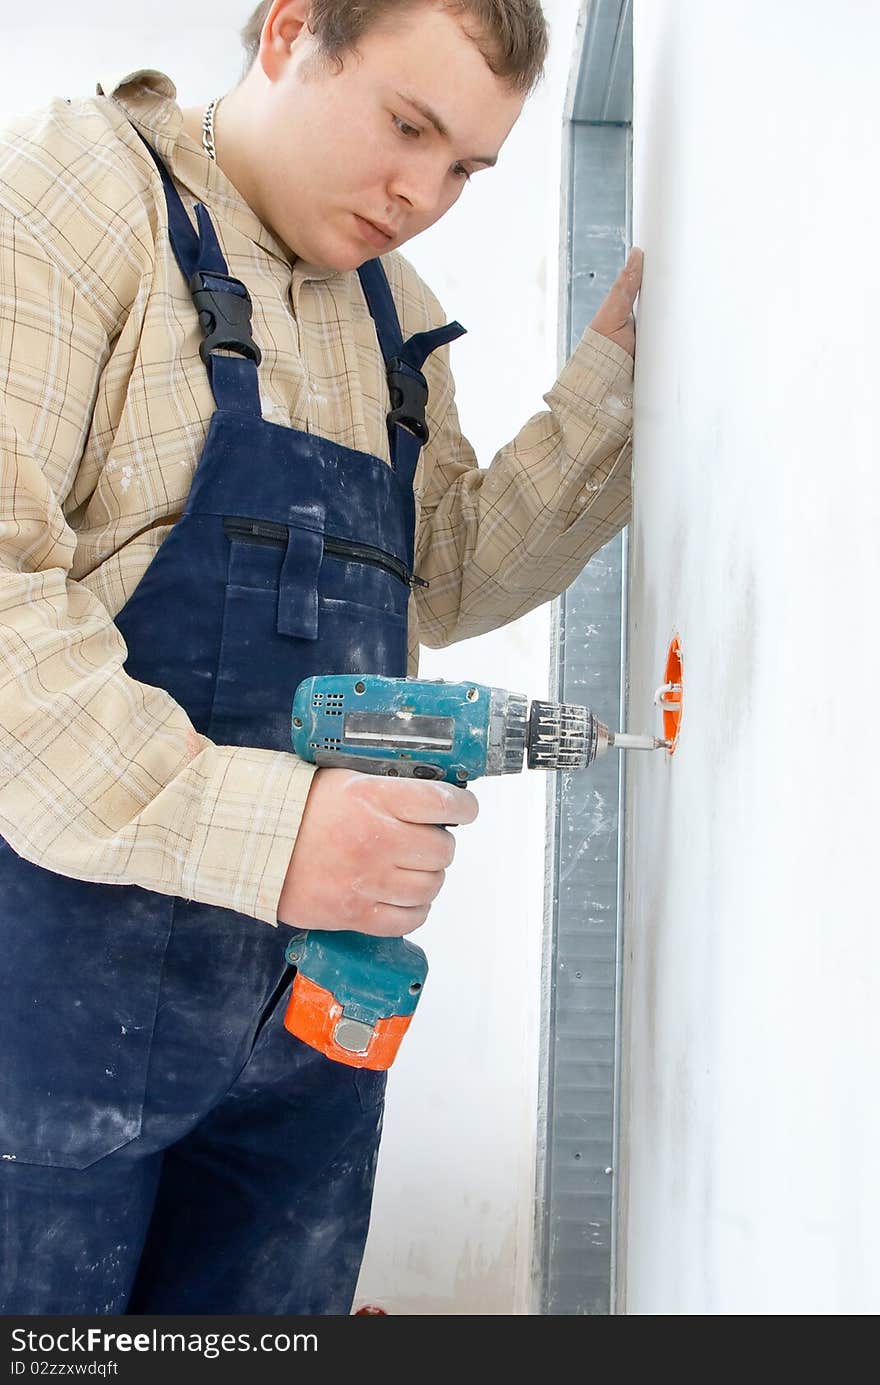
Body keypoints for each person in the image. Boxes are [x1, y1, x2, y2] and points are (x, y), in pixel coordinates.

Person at [0, 0, 642, 1315]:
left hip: (308, 1042)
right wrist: (274, 826)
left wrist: (618, 389)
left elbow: (448, 570)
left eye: (468, 168)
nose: (424, 193)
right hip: (50, 1019)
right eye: (408, 126)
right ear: (292, 32)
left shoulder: (395, 312)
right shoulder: (87, 192)